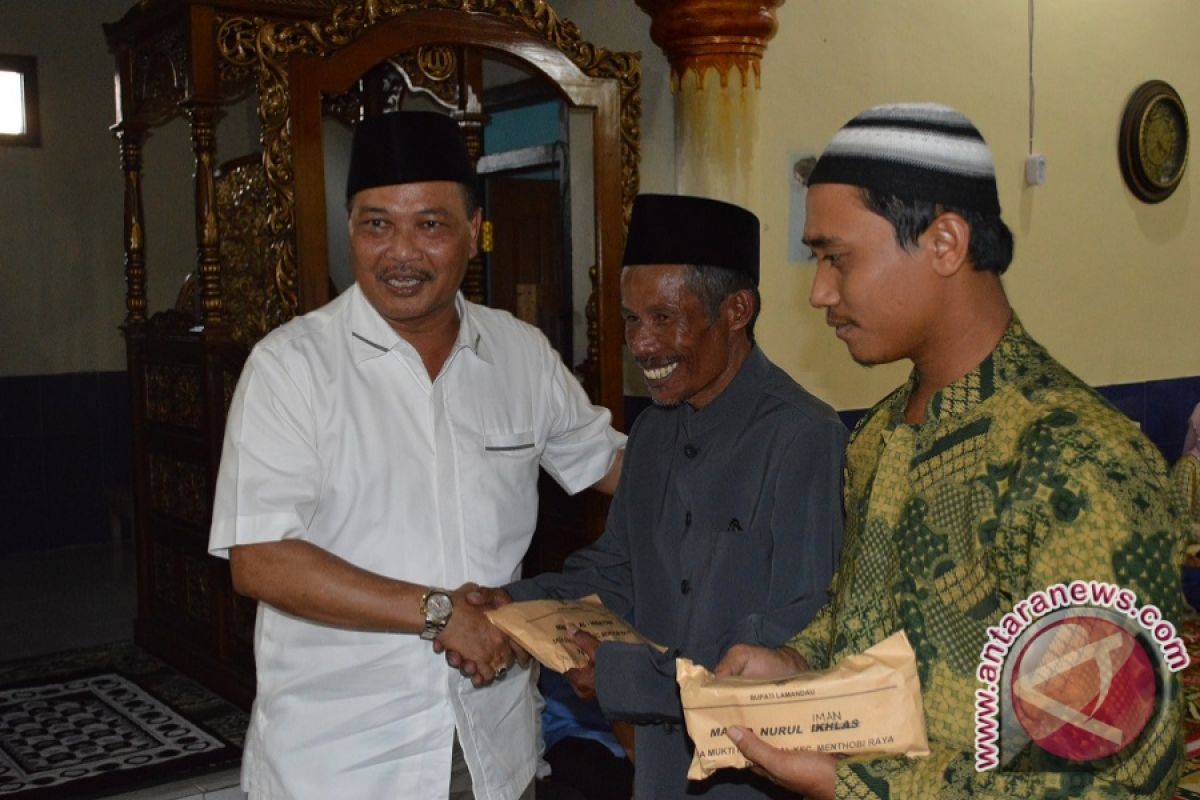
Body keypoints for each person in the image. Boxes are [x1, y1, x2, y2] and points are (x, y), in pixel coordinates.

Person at [716, 103, 1186, 799]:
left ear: (944, 242)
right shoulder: (881, 435)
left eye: (836, 258)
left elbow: (1113, 778)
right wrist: (796, 663)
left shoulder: (1076, 463)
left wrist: (858, 787)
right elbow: (870, 627)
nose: (818, 291)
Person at [207, 111, 624, 800]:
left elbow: (607, 464)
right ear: (350, 230)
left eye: (430, 224)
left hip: (496, 747)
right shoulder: (291, 367)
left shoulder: (519, 354)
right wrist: (438, 611)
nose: (401, 252)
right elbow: (260, 558)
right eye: (377, 224)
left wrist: (745, 467)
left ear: (474, 230)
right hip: (344, 757)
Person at [456, 193, 848, 798]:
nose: (641, 345)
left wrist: (622, 678)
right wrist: (514, 604)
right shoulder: (654, 429)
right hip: (663, 772)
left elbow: (795, 639)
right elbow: (618, 571)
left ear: (736, 309)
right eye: (631, 320)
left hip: (758, 775)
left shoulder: (804, 437)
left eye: (664, 319)